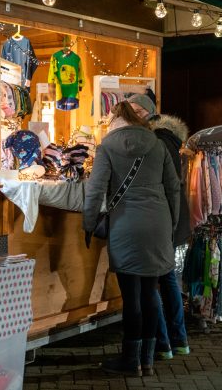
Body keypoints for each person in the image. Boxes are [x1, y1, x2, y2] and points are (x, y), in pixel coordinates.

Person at [83, 101, 180, 377]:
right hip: (158, 223)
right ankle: (147, 360)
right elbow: (173, 188)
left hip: (126, 225)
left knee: (131, 298)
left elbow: (95, 191)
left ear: (115, 120)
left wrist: (88, 225)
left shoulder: (107, 147)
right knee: (151, 294)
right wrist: (170, 224)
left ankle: (130, 359)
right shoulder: (157, 144)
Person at [127, 92, 192, 360]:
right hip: (167, 220)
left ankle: (164, 344)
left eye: (133, 110)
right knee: (166, 281)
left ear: (145, 112)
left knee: (152, 283)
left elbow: (163, 186)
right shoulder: (167, 139)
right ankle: (178, 342)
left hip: (161, 220)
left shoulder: (156, 142)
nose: (130, 115)